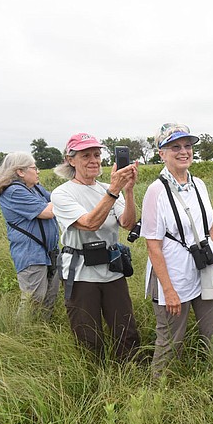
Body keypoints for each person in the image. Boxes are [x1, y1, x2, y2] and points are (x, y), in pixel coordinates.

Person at [139, 123, 213, 378]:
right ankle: (160, 393)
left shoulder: (199, 185)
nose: (183, 152)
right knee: (170, 339)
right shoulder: (156, 191)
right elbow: (153, 244)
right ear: (162, 153)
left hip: (206, 267)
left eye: (188, 146)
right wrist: (168, 290)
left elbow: (210, 229)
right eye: (175, 147)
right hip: (174, 274)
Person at [51, 132, 141, 362]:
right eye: (86, 155)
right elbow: (89, 224)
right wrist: (114, 190)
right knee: (87, 334)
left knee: (126, 330)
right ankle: (93, 377)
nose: (94, 160)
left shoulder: (107, 188)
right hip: (81, 273)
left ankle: (130, 373)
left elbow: (127, 223)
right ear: (70, 160)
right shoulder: (62, 193)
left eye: (97, 154)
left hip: (112, 269)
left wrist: (128, 190)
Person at [0, 152, 60, 319]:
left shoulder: (35, 188)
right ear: (20, 171)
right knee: (34, 299)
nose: (38, 171)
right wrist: (65, 202)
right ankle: (22, 336)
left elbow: (55, 199)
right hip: (31, 253)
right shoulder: (14, 192)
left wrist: (63, 199)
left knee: (49, 297)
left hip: (49, 252)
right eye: (34, 168)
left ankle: (41, 333)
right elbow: (48, 211)